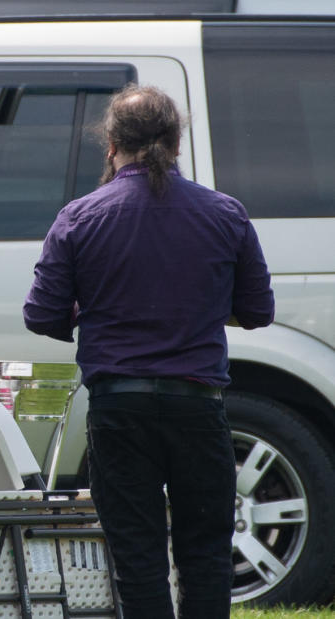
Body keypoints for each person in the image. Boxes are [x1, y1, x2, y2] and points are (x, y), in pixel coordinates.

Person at [22, 85, 274, 619]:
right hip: (197, 406)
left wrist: (97, 310)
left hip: (119, 410)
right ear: (176, 143)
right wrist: (198, 308)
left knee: (137, 561)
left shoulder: (79, 216)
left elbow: (42, 315)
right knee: (205, 557)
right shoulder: (226, 213)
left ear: (111, 144)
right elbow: (257, 310)